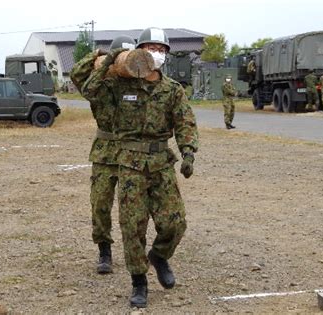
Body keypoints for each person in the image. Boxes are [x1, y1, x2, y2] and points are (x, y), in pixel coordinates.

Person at [81, 27, 199, 308]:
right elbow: (89, 89)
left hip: (161, 164)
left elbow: (185, 121)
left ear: (167, 55)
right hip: (130, 164)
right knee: (132, 226)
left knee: (175, 222)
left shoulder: (172, 89)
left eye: (161, 49)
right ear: (139, 51)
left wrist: (188, 151)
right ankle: (139, 281)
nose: (155, 54)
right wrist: (108, 61)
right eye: (150, 48)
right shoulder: (118, 85)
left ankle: (159, 256)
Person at [70, 35, 137, 275]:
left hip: (133, 151)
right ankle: (104, 250)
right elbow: (77, 74)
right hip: (105, 151)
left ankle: (138, 250)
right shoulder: (99, 84)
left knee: (135, 206)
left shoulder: (139, 83)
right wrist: (100, 55)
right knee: (100, 204)